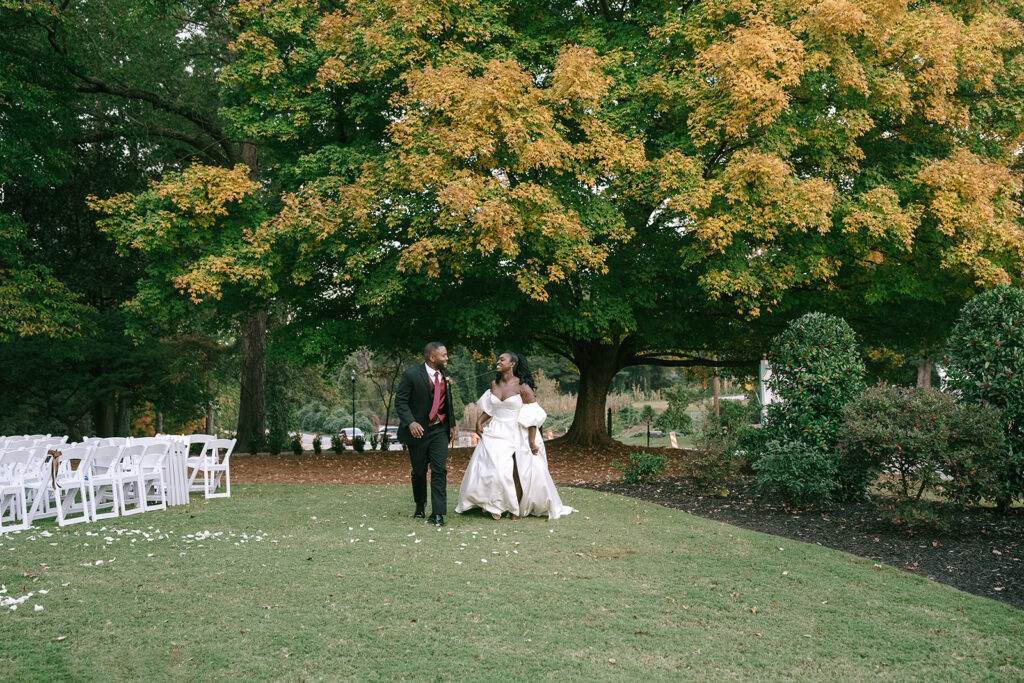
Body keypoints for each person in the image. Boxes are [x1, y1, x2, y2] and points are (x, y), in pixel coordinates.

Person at [455, 352, 574, 520]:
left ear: (512, 364)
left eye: (502, 359)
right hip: (496, 430)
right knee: (496, 469)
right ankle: (496, 505)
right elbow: (490, 408)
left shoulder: (523, 386)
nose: (498, 361)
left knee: (519, 472)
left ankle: (515, 509)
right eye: (498, 359)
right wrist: (479, 422)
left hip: (518, 431)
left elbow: (532, 416)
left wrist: (532, 441)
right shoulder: (494, 384)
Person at [395, 342, 456, 526]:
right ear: (432, 357)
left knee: (439, 470)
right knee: (419, 472)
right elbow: (400, 402)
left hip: (440, 431)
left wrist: (451, 425)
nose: (447, 358)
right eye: (443, 355)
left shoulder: (446, 376)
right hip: (418, 432)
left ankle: (438, 514)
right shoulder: (411, 375)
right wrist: (411, 422)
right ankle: (420, 506)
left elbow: (448, 403)